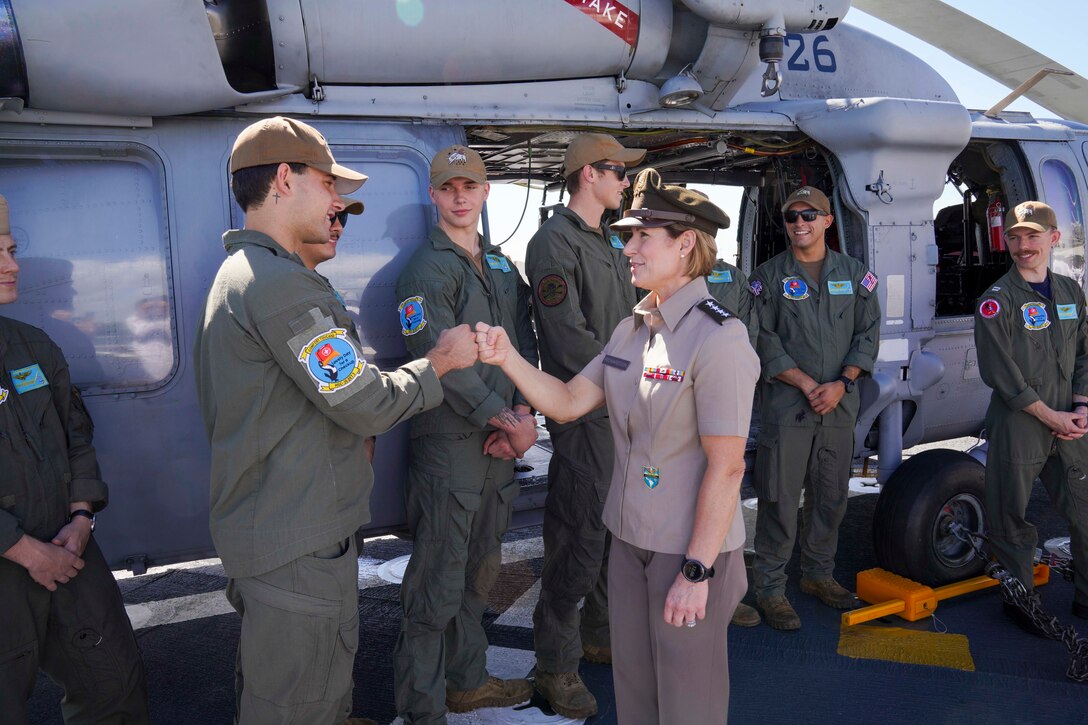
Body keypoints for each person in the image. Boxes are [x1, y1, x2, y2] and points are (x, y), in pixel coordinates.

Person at [192, 117, 478, 725]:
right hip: (296, 538)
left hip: (280, 529)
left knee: (292, 687)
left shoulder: (253, 277)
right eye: (327, 184)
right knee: (300, 700)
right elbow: (365, 399)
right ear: (284, 179)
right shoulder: (279, 286)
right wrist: (443, 361)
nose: (336, 202)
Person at [477, 168, 758, 723]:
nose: (626, 246)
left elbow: (727, 468)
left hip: (689, 550)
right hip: (629, 543)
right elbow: (566, 401)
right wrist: (506, 356)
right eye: (627, 234)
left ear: (685, 244)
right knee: (634, 691)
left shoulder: (719, 337)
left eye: (641, 237)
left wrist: (697, 573)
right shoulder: (632, 330)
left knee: (686, 701)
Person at [392, 145, 539, 723]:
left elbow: (523, 345)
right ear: (433, 194)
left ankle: (467, 681)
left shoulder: (501, 265)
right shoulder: (423, 271)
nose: (460, 196)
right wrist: (503, 420)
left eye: (470, 186)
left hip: (501, 447)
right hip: (451, 450)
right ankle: (421, 709)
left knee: (479, 574)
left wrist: (525, 413)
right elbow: (433, 359)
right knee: (435, 588)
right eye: (448, 186)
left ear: (484, 193)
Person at [0, 193, 150, 723]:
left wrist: (82, 516)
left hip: (69, 548)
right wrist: (22, 550)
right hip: (10, 560)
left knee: (113, 680)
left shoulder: (31, 346)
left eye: (12, 249)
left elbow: (75, 434)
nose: (13, 265)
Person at [523, 132, 644, 717]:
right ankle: (555, 668)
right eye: (618, 172)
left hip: (619, 409)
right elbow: (568, 339)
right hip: (587, 413)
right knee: (575, 541)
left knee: (611, 536)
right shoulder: (554, 243)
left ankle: (597, 637)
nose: (626, 182)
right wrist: (629, 381)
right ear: (589, 174)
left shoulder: (604, 240)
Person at [749, 186, 881, 630]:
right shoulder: (767, 278)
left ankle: (817, 576)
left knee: (830, 498)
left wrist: (843, 383)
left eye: (810, 214)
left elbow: (868, 333)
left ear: (827, 220)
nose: (799, 222)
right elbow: (761, 337)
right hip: (789, 408)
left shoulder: (855, 273)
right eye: (791, 216)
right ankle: (770, 589)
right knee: (779, 500)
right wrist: (806, 382)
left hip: (838, 408)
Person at [973, 200, 1088, 627]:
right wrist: (1051, 417)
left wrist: (1080, 406)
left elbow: (1084, 355)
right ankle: (1020, 602)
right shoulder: (996, 302)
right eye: (1016, 237)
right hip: (1020, 422)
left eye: (1033, 236)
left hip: (1070, 421)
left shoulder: (1070, 292)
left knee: (1084, 509)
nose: (1024, 245)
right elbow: (1001, 374)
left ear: (1053, 239)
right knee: (1011, 517)